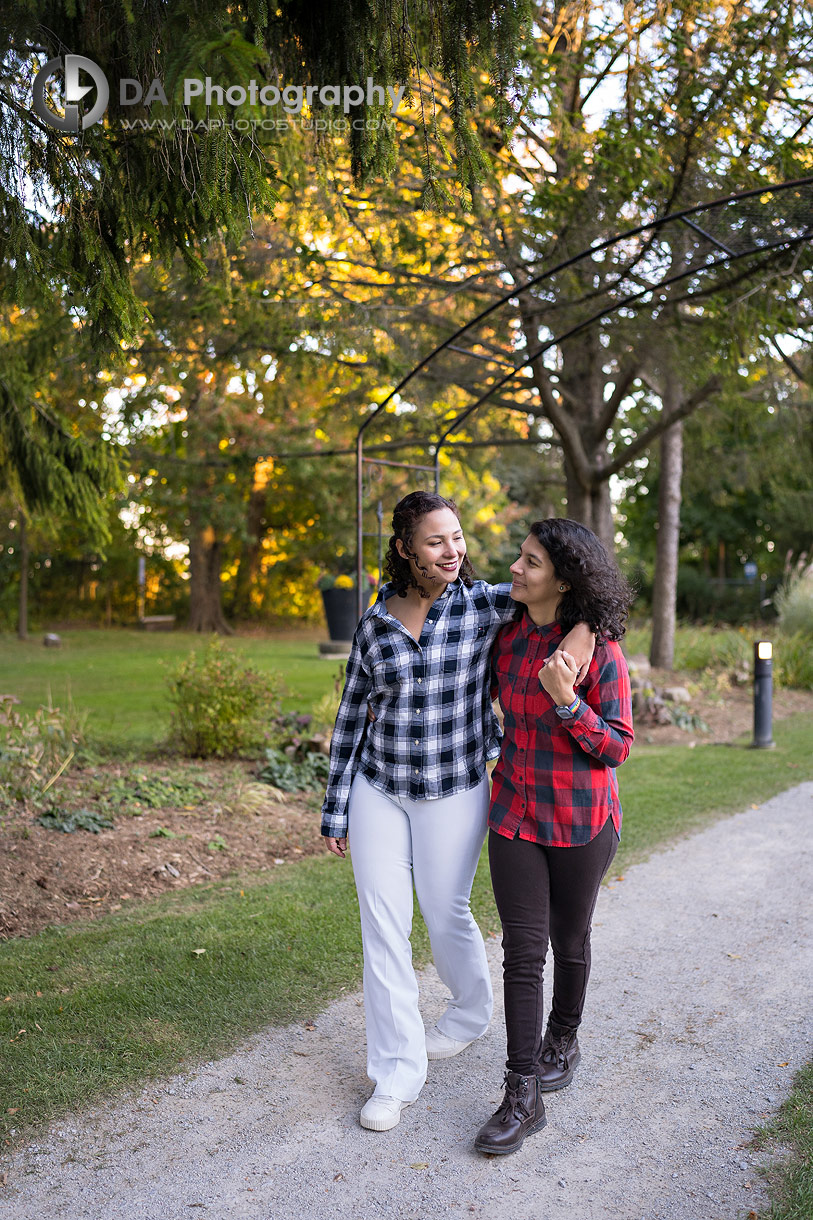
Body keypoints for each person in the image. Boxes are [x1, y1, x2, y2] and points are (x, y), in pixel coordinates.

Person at [321, 491, 594, 1132]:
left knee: (446, 912)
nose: (454, 550)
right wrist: (336, 809)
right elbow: (351, 719)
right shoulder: (374, 623)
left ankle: (470, 1012)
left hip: (456, 786)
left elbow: (589, 599)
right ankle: (394, 1074)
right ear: (405, 550)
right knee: (383, 926)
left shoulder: (484, 606)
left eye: (458, 538)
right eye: (437, 541)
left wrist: (585, 632)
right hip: (379, 789)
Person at [474, 517, 634, 1156]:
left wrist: (567, 700)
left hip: (580, 819)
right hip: (514, 810)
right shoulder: (509, 638)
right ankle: (521, 1092)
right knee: (522, 950)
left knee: (569, 940)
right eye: (519, 557)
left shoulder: (600, 654)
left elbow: (618, 746)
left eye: (530, 562)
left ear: (563, 582)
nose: (515, 568)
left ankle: (562, 1038)